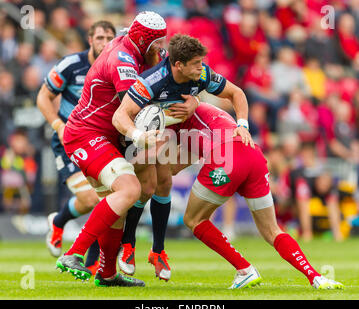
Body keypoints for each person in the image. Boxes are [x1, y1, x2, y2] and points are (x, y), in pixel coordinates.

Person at [114, 34, 344, 290]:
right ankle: (315, 277)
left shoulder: (180, 109)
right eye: (198, 63)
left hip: (227, 156)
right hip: (252, 153)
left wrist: (132, 180)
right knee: (272, 230)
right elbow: (182, 160)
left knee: (194, 220)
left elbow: (229, 98)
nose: (202, 68)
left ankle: (244, 268)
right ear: (178, 65)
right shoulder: (186, 108)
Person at [56, 11, 197, 287]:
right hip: (88, 134)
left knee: (118, 206)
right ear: (144, 40)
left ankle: (107, 274)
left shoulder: (135, 47)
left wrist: (192, 100)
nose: (161, 48)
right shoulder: (123, 62)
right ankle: (73, 253)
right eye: (157, 42)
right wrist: (162, 122)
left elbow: (171, 75)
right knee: (130, 189)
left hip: (104, 136)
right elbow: (135, 111)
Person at [37, 21, 116, 274]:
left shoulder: (118, 67)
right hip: (69, 140)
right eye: (100, 37)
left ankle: (59, 221)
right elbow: (43, 96)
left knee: (104, 198)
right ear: (90, 39)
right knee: (94, 199)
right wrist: (58, 125)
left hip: (100, 141)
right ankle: (91, 262)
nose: (105, 43)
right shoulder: (71, 65)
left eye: (109, 38)